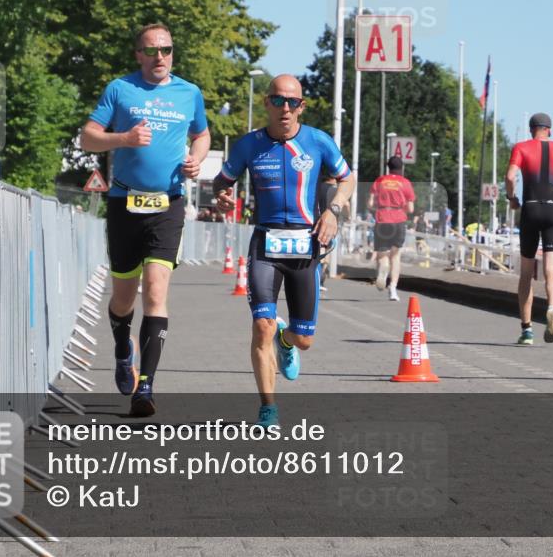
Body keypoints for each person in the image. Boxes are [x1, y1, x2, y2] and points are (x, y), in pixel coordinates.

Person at [80, 23, 211, 416]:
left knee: (155, 291)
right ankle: (123, 348)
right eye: (151, 50)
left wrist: (196, 160)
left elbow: (202, 135)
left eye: (166, 50)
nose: (160, 57)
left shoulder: (189, 93)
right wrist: (123, 139)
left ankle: (146, 386)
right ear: (138, 54)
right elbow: (88, 137)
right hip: (124, 203)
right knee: (123, 298)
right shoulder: (120, 89)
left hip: (168, 204)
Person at [213, 75, 355, 428]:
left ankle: (286, 340)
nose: (285, 108)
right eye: (278, 100)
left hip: (306, 246)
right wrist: (221, 195)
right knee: (262, 325)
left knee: (304, 339)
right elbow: (222, 181)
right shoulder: (249, 145)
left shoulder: (317, 141)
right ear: (267, 103)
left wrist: (333, 210)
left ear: (302, 106)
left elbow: (347, 178)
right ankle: (268, 408)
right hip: (265, 245)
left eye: (293, 102)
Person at [505, 112, 553, 346]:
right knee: (551, 270)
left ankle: (527, 330)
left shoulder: (521, 147)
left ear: (531, 129)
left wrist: (512, 198)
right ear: (549, 130)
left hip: (530, 209)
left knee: (526, 273)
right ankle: (551, 308)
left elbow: (510, 176)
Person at [368, 156, 415, 302]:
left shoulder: (380, 181)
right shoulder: (405, 183)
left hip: (382, 218)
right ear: (401, 168)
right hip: (398, 220)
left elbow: (370, 203)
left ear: (388, 167)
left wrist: (379, 207)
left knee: (382, 255)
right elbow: (411, 208)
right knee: (395, 255)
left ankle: (383, 270)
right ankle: (393, 288)